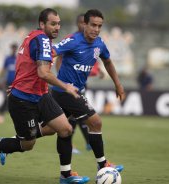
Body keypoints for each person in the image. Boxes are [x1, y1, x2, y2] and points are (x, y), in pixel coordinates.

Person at [0, 8, 89, 184]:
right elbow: (42, 73)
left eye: (59, 24)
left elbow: (24, 64)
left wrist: (18, 82)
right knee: (27, 145)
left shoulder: (32, 37)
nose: (57, 27)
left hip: (41, 95)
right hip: (23, 101)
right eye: (53, 23)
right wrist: (66, 87)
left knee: (65, 129)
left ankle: (66, 175)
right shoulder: (41, 39)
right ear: (42, 24)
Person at [50, 9, 126, 181]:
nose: (96, 29)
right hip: (65, 92)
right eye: (93, 25)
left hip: (73, 92)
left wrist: (118, 84)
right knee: (95, 122)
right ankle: (103, 164)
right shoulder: (73, 40)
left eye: (99, 26)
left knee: (54, 130)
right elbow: (51, 53)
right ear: (84, 24)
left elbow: (107, 61)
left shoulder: (99, 44)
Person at [56, 13, 104, 154]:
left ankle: (18, 141)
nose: (85, 26)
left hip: (81, 84)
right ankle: (91, 144)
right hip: (67, 88)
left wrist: (98, 71)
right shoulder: (71, 39)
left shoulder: (94, 42)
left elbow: (91, 60)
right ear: (80, 24)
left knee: (68, 119)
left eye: (98, 26)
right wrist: (62, 80)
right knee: (82, 116)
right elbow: (59, 57)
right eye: (83, 23)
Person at [0, 43, 18, 124]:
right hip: (8, 83)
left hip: (16, 84)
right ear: (11, 49)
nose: (14, 50)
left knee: (15, 100)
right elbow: (3, 70)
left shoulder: (18, 59)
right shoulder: (7, 59)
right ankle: (0, 115)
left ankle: (16, 116)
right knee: (6, 99)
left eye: (15, 48)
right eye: (13, 48)